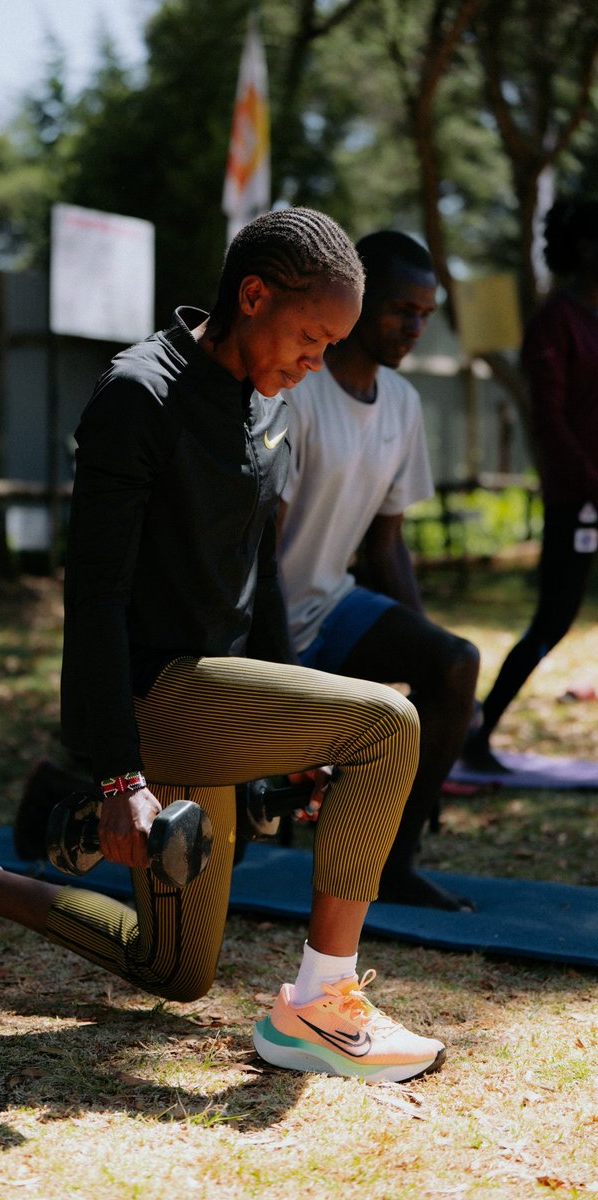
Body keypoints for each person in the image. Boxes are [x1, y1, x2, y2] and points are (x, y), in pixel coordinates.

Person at [0, 207, 445, 1084]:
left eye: (332, 342)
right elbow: (95, 598)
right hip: (160, 695)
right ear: (253, 295)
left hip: (221, 697)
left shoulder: (275, 406)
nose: (317, 360)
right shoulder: (137, 398)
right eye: (310, 336)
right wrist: (116, 774)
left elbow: (256, 575)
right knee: (389, 723)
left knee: (173, 970)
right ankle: (320, 1006)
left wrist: (285, 738)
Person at [276, 230, 480, 911]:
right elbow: (252, 546)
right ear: (357, 302)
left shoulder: (403, 403)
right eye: (400, 308)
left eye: (425, 312)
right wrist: (279, 671)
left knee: (455, 663)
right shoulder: (297, 390)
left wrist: (432, 657)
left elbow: (386, 546)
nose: (415, 326)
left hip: (331, 606)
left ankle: (394, 863)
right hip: (256, 621)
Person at [463, 199, 598, 772]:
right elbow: (549, 419)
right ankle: (477, 732)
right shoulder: (555, 320)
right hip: (579, 503)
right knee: (554, 618)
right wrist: (590, 487)